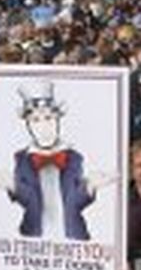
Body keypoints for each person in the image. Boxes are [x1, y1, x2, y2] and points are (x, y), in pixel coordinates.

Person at [6, 80, 99, 241]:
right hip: (34, 238)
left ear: (57, 120)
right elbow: (28, 200)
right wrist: (14, 186)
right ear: (28, 125)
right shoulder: (22, 159)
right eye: (36, 120)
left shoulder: (74, 158)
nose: (44, 127)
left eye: (49, 118)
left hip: (72, 236)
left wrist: (89, 188)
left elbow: (74, 202)